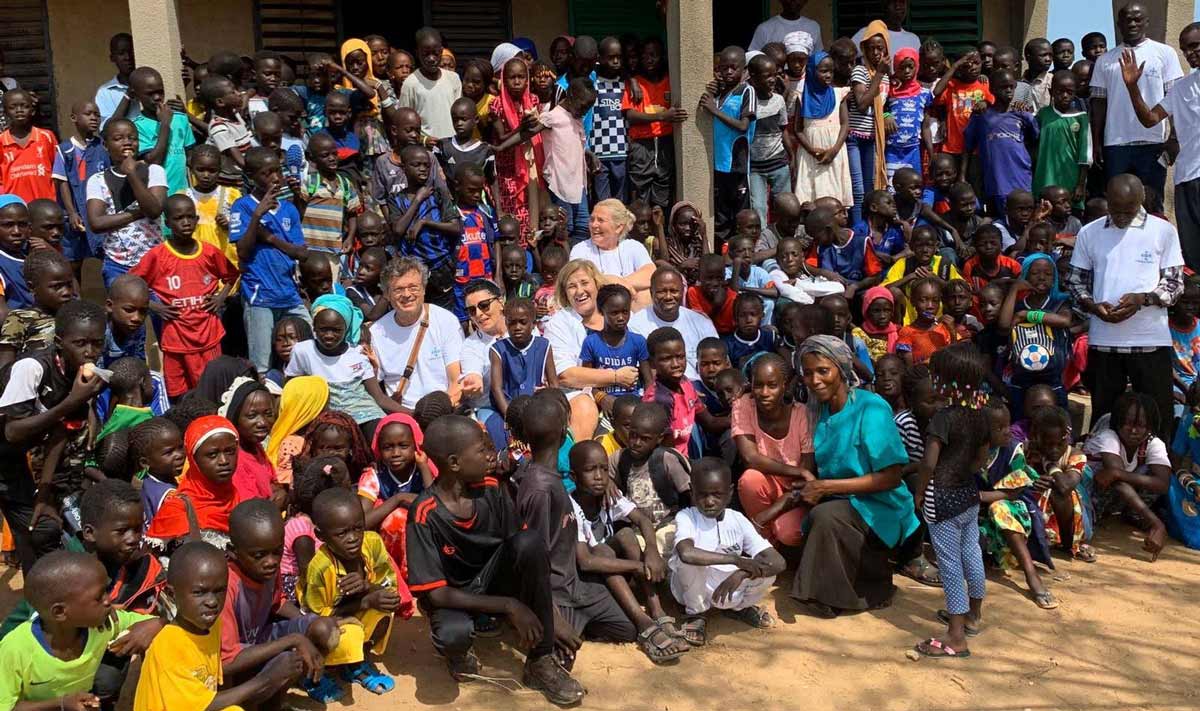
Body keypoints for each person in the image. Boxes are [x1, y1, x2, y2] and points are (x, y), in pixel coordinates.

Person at [406, 414, 586, 703]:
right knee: (453, 634)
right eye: (482, 450)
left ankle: (540, 660)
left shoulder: (492, 488)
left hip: (492, 578)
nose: (492, 455)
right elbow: (437, 593)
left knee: (530, 541)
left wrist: (551, 617)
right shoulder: (425, 514)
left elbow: (525, 548)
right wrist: (509, 605)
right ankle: (460, 651)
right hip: (455, 594)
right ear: (453, 463)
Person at [790, 336, 919, 617]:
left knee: (827, 517)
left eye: (823, 371)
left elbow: (891, 477)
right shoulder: (818, 413)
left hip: (883, 504)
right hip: (846, 501)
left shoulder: (870, 407)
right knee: (818, 516)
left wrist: (825, 486)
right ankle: (852, 588)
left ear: (842, 368)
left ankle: (843, 593)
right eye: (808, 373)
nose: (815, 380)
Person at [516, 396, 638, 667]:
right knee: (559, 659)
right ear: (564, 432)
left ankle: (579, 624)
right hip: (555, 595)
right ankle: (547, 647)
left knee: (627, 629)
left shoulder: (555, 480)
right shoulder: (539, 490)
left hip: (576, 584)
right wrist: (554, 619)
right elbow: (534, 563)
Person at [1066, 174, 1182, 440]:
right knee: (1106, 416)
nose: (1120, 217)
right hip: (1104, 342)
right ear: (1107, 200)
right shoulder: (1089, 232)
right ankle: (1104, 473)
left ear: (1140, 200)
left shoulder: (1163, 230)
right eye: (1115, 209)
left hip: (1150, 340)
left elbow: (1175, 284)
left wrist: (1144, 299)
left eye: (1127, 211)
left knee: (1158, 414)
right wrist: (1093, 306)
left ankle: (1157, 472)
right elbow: (1075, 282)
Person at [134, 541, 304, 711]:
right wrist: (267, 679)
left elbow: (217, 684)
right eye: (199, 593)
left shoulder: (212, 626)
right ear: (172, 594)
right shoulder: (169, 646)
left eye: (219, 591)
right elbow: (204, 706)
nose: (212, 601)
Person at [0, 551, 160, 710]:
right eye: (99, 597)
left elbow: (159, 625)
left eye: (106, 591)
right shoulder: (16, 649)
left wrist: (158, 623)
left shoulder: (104, 624)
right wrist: (61, 703)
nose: (109, 600)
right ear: (60, 612)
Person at [911, 343, 990, 659]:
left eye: (935, 376)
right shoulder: (982, 416)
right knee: (972, 553)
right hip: (968, 495)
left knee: (949, 564)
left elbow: (929, 463)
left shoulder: (943, 418)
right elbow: (980, 460)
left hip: (941, 498)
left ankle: (956, 637)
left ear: (947, 382)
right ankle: (973, 616)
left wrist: (919, 492)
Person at [302, 488, 408, 696]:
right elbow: (315, 620)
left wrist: (368, 587)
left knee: (385, 607)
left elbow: (389, 585)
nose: (353, 538)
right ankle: (316, 674)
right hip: (327, 623)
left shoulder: (372, 543)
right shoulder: (320, 568)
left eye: (358, 528)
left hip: (354, 611)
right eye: (342, 533)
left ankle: (355, 665)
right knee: (348, 634)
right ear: (320, 535)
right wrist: (365, 602)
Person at [130, 195, 238, 399]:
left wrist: (220, 298)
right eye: (179, 218)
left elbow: (231, 275)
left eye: (190, 217)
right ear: (168, 222)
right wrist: (154, 306)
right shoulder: (158, 255)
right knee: (179, 394)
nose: (186, 222)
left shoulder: (209, 252)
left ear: (197, 220)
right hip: (175, 336)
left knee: (212, 390)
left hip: (208, 335)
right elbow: (129, 285)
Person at [670, 457, 784, 646]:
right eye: (702, 494)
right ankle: (696, 614)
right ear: (692, 491)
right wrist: (737, 560)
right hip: (691, 589)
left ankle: (738, 608)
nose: (709, 501)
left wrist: (741, 573)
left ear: (730, 492)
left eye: (717, 494)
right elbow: (686, 553)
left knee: (768, 572)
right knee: (687, 562)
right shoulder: (687, 516)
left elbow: (778, 562)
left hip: (727, 586)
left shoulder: (737, 519)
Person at [1120, 22, 1200, 271]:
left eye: (1195, 45)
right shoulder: (1181, 87)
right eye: (1185, 49)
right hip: (1187, 178)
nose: (1190, 53)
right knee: (1193, 253)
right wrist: (1133, 88)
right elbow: (1150, 119)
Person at [230, 147, 310, 374]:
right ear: (253, 176)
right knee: (261, 364)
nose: (275, 178)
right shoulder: (243, 206)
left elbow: (301, 253)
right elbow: (243, 252)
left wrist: (271, 238)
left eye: (278, 171)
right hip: (260, 296)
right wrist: (257, 216)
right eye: (267, 173)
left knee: (309, 348)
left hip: (289, 294)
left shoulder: (289, 209)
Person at [1091, 2, 1183, 197]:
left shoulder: (1165, 53)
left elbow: (1175, 99)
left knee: (1151, 200)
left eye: (1137, 19)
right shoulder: (1105, 60)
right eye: (1127, 20)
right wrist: (1096, 142)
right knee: (1116, 201)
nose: (1132, 23)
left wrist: (1174, 137)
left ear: (1146, 22)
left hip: (1154, 142)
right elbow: (1099, 103)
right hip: (1115, 144)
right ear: (1119, 24)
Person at [732, 354, 815, 547]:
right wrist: (799, 471)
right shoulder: (744, 405)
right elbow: (750, 458)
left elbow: (806, 479)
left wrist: (768, 514)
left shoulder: (802, 414)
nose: (764, 392)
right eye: (758, 385)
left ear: (784, 385)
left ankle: (770, 535)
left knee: (788, 532)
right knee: (750, 479)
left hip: (796, 495)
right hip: (767, 486)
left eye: (772, 385)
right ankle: (767, 545)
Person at [370, 256, 471, 412]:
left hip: (445, 408)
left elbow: (456, 381)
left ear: (424, 289)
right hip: (402, 414)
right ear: (387, 295)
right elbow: (375, 390)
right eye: (398, 289)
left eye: (413, 287)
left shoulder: (446, 321)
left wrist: (437, 412)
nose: (407, 294)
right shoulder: (376, 332)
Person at [1083, 393, 1170, 560]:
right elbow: (1118, 483)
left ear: (1150, 426)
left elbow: (1163, 483)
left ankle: (1132, 514)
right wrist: (1157, 524)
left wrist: (1117, 473)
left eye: (1141, 425)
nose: (1134, 431)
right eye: (1128, 424)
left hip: (1117, 493)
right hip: (1091, 494)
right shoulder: (1108, 437)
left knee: (1153, 472)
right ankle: (1095, 515)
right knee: (1119, 480)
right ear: (1118, 421)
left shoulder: (1153, 443)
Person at [289, 294, 395, 430]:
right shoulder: (303, 351)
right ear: (314, 327)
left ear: (346, 330)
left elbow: (378, 397)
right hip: (325, 416)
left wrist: (412, 413)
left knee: (382, 433)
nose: (329, 335)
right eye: (323, 329)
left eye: (336, 330)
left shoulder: (358, 353)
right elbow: (291, 389)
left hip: (365, 413)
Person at [86, 118, 167, 288]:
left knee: (160, 311)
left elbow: (154, 210)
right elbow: (97, 223)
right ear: (106, 146)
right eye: (118, 139)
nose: (127, 142)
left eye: (132, 138)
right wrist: (138, 212)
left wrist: (131, 173)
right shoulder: (98, 180)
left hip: (154, 261)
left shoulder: (154, 171)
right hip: (117, 264)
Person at [145, 415, 241, 549]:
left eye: (230, 451)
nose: (224, 461)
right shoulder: (177, 510)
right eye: (212, 454)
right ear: (194, 459)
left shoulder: (237, 498)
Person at [963, 69, 1039, 215]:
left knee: (1023, 216)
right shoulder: (982, 115)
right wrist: (962, 174)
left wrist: (1027, 114)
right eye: (1003, 87)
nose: (1009, 91)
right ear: (992, 89)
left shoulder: (1022, 114)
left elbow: (1035, 138)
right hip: (996, 179)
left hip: (1021, 176)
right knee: (1001, 217)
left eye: (1012, 86)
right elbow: (968, 146)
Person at [701, 46, 756, 244]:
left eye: (734, 68)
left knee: (739, 214)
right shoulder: (719, 93)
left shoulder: (747, 91)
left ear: (744, 70)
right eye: (724, 68)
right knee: (721, 214)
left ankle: (740, 254)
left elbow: (743, 125)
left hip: (737, 164)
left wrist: (714, 111)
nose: (729, 72)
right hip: (719, 164)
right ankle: (723, 257)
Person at [624, 37, 685, 212]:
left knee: (663, 190)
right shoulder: (635, 83)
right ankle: (641, 235)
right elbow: (630, 115)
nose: (648, 60)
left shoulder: (670, 81)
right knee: (640, 191)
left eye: (653, 55)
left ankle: (660, 233)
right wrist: (662, 116)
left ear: (662, 56)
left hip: (665, 141)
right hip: (642, 144)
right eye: (644, 56)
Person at [629, 267, 720, 381]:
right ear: (651, 292)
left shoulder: (701, 322)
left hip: (702, 388)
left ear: (682, 291)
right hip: (661, 390)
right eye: (662, 291)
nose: (668, 297)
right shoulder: (635, 325)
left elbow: (719, 363)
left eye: (674, 291)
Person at [52, 100, 108, 273]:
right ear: (74, 118)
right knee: (73, 262)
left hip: (99, 213)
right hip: (74, 215)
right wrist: (71, 212)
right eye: (88, 114)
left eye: (97, 115)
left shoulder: (103, 147)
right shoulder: (65, 149)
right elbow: (62, 182)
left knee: (106, 256)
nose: (94, 118)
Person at [793, 51, 852, 210]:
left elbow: (845, 125)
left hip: (835, 153)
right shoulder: (801, 97)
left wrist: (834, 151)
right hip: (810, 156)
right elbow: (798, 129)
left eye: (831, 71)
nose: (828, 75)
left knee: (834, 195)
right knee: (810, 197)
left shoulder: (839, 94)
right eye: (823, 71)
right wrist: (812, 150)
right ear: (812, 71)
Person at [845, 22, 891, 225]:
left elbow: (883, 106)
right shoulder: (859, 71)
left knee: (870, 186)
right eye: (871, 48)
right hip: (855, 136)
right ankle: (858, 228)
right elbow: (863, 104)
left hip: (873, 138)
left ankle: (870, 227)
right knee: (858, 188)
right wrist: (879, 74)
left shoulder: (887, 76)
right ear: (864, 49)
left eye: (880, 48)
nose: (876, 52)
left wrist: (888, 114)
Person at [297, 132, 360, 268]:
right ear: (311, 158)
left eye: (334, 154)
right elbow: (299, 212)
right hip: (309, 250)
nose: (332, 158)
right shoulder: (309, 182)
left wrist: (350, 237)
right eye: (325, 155)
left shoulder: (345, 184)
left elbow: (352, 214)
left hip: (333, 251)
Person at [129, 67, 196, 196]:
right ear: (136, 95)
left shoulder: (180, 119)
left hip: (182, 193)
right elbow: (154, 161)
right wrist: (164, 124)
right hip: (156, 197)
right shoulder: (136, 126)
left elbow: (190, 157)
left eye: (160, 92)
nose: (157, 97)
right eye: (150, 94)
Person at [579, 284, 650, 404]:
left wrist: (646, 404)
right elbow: (586, 380)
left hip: (633, 402)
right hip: (604, 404)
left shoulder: (638, 341)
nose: (621, 317)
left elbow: (649, 381)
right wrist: (602, 398)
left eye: (625, 312)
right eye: (614, 313)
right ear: (602, 311)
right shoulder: (591, 342)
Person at [399, 27, 462, 141]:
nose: (431, 59)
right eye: (426, 54)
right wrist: (423, 140)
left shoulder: (453, 79)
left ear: (441, 51)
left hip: (453, 144)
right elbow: (404, 122)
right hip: (427, 149)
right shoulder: (411, 83)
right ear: (417, 53)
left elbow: (460, 114)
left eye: (435, 53)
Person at [749, 0, 823, 53]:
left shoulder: (813, 27)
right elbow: (753, 57)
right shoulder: (765, 28)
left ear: (805, 1)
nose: (793, 1)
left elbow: (818, 57)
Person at [95, 33, 137, 127]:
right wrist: (127, 96)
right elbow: (106, 130)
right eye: (121, 53)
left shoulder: (149, 84)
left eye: (131, 51)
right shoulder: (105, 92)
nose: (128, 57)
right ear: (113, 58)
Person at [852, 0, 921, 56]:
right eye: (893, 2)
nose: (898, 7)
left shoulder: (913, 40)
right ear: (884, 6)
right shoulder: (868, 33)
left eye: (902, 2)